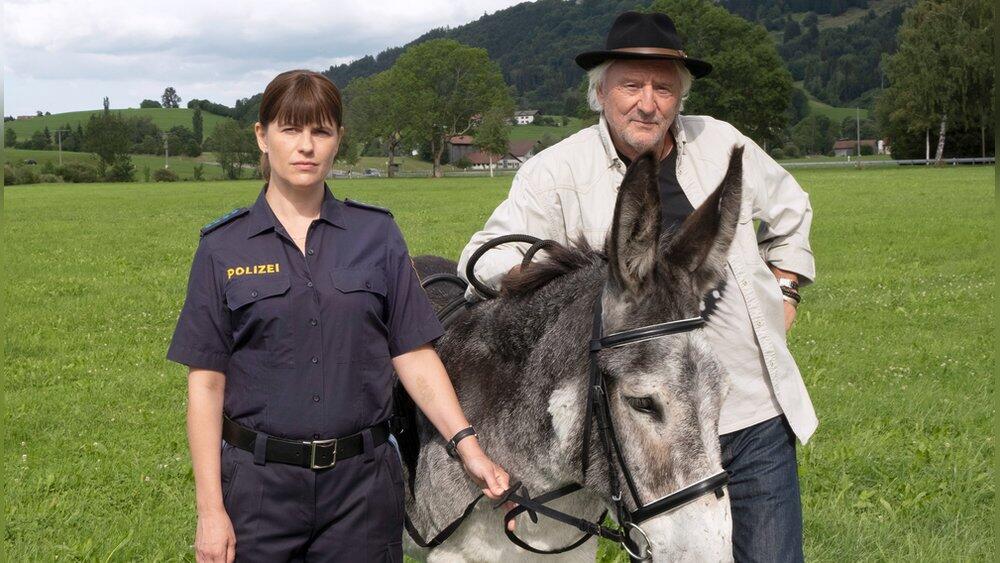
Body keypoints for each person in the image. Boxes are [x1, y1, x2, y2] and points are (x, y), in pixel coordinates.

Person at [458, 11, 817, 562]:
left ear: (680, 97)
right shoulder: (555, 172)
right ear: (600, 92)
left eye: (663, 88)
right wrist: (574, 283)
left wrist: (786, 290)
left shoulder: (721, 142)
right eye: (631, 85)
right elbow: (483, 260)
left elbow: (792, 210)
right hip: (647, 422)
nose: (648, 103)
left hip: (748, 408)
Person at [168, 69, 510, 562]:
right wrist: (210, 510)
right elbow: (205, 384)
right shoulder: (223, 247)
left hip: (362, 493)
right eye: (290, 129)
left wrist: (469, 448)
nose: (306, 146)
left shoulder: (377, 234)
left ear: (338, 140)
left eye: (321, 131)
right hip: (258, 492)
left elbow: (413, 353)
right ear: (262, 137)